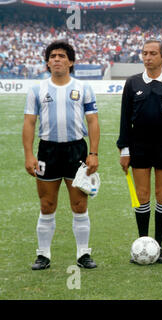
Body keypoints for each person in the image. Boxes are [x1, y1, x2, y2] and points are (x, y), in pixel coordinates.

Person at [22, 41, 100, 270]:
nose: (57, 59)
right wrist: (29, 154)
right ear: (47, 62)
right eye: (53, 56)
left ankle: (83, 254)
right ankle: (43, 255)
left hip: (76, 150)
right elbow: (29, 123)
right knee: (47, 204)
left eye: (62, 56)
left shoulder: (84, 88)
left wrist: (93, 153)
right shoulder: (37, 90)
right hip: (48, 151)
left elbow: (93, 121)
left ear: (71, 61)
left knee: (79, 204)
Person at [117, 39, 162, 264]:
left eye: (153, 53)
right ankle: (143, 244)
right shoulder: (132, 83)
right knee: (142, 195)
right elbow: (124, 119)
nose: (148, 57)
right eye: (145, 53)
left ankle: (158, 246)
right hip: (139, 145)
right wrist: (124, 149)